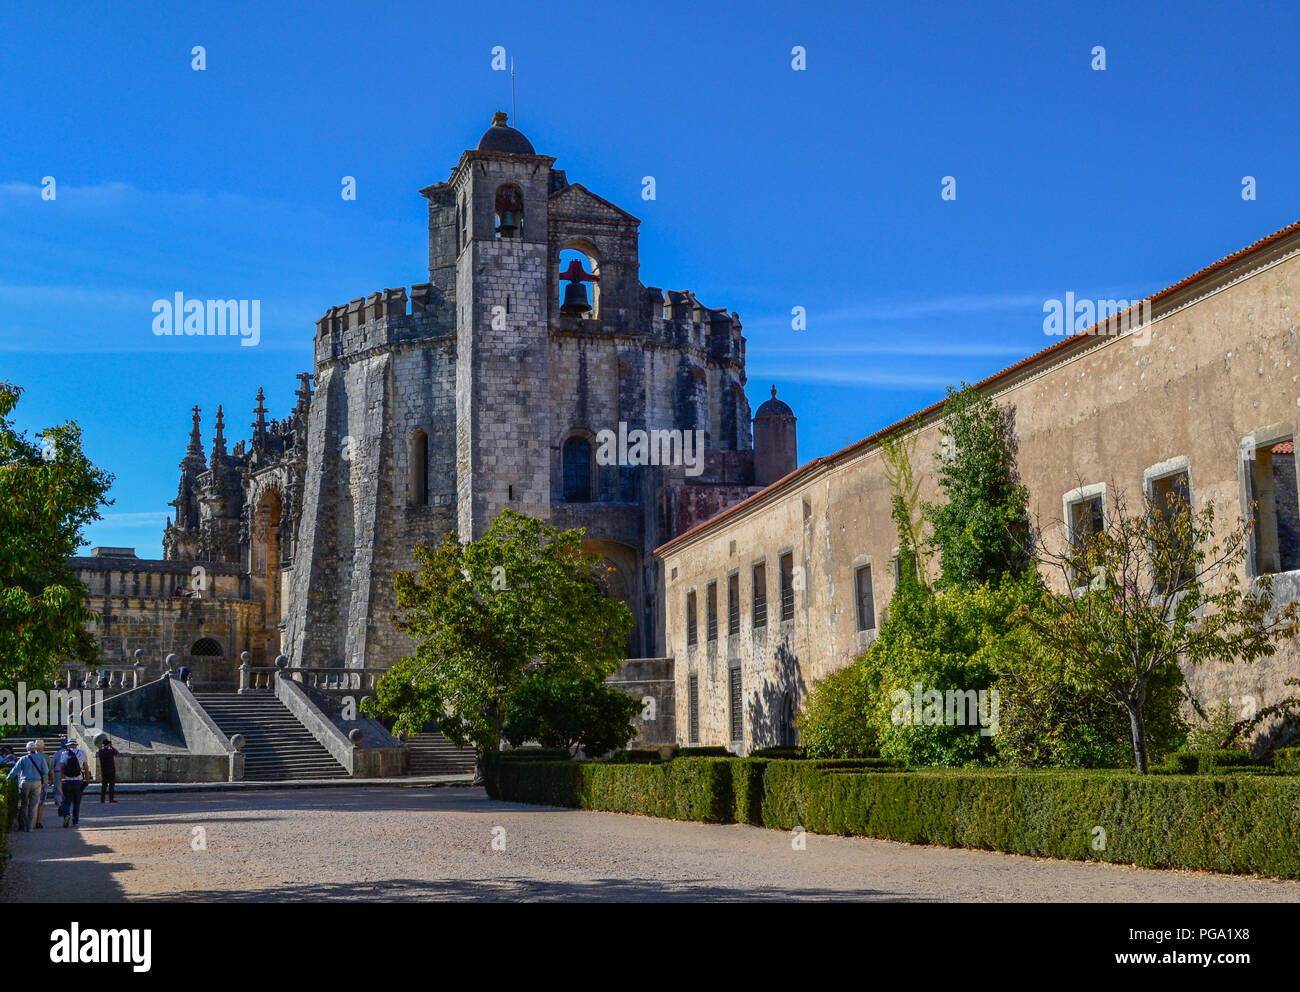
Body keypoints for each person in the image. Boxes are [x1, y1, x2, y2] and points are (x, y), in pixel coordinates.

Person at [5, 742, 49, 832]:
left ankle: (22, 825)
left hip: (25, 782)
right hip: (37, 782)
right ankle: (30, 827)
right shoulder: (41, 758)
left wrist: (7, 779)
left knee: (24, 804)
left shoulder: (23, 759)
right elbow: (45, 771)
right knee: (34, 805)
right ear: (35, 749)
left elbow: (15, 771)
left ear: (27, 749)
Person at [55, 739, 92, 827]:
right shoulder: (82, 753)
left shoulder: (64, 753)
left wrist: (63, 779)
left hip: (67, 781)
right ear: (76, 745)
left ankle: (67, 814)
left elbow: (62, 768)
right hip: (78, 780)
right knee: (77, 802)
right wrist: (87, 779)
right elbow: (86, 768)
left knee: (66, 801)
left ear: (68, 746)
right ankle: (75, 821)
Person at [97, 738, 120, 803]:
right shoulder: (110, 751)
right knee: (111, 786)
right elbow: (117, 753)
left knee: (104, 786)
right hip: (111, 770)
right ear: (108, 744)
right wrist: (111, 747)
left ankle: (102, 799)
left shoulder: (100, 752)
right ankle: (111, 799)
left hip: (104, 770)